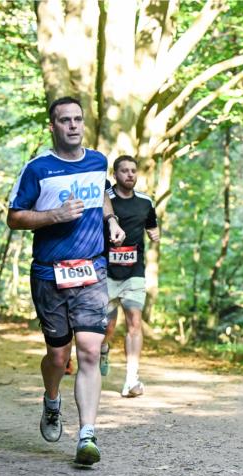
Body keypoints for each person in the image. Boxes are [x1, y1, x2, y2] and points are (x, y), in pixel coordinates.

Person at [6, 96, 126, 466]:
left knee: (90, 350)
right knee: (59, 356)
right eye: (64, 120)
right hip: (49, 273)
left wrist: (111, 221)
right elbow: (14, 218)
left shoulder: (97, 161)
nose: (73, 126)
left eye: (77, 119)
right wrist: (54, 215)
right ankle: (52, 399)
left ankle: (87, 434)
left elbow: (104, 194)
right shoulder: (37, 169)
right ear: (52, 126)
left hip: (92, 270)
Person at [101, 155, 160, 397]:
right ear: (115, 175)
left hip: (134, 274)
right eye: (124, 171)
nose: (130, 175)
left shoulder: (146, 202)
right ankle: (103, 348)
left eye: (133, 171)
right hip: (106, 272)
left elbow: (151, 225)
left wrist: (155, 234)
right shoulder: (106, 200)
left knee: (135, 322)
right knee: (108, 326)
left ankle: (131, 380)